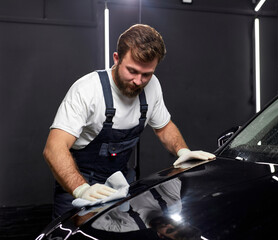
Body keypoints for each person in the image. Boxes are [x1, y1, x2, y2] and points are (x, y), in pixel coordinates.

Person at [43, 24, 215, 219]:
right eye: (132, 71)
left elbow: (164, 127)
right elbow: (54, 148)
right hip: (79, 181)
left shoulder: (152, 86)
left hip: (121, 182)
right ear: (116, 59)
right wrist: (81, 189)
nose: (138, 81)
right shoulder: (87, 90)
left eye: (147, 74)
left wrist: (183, 151)